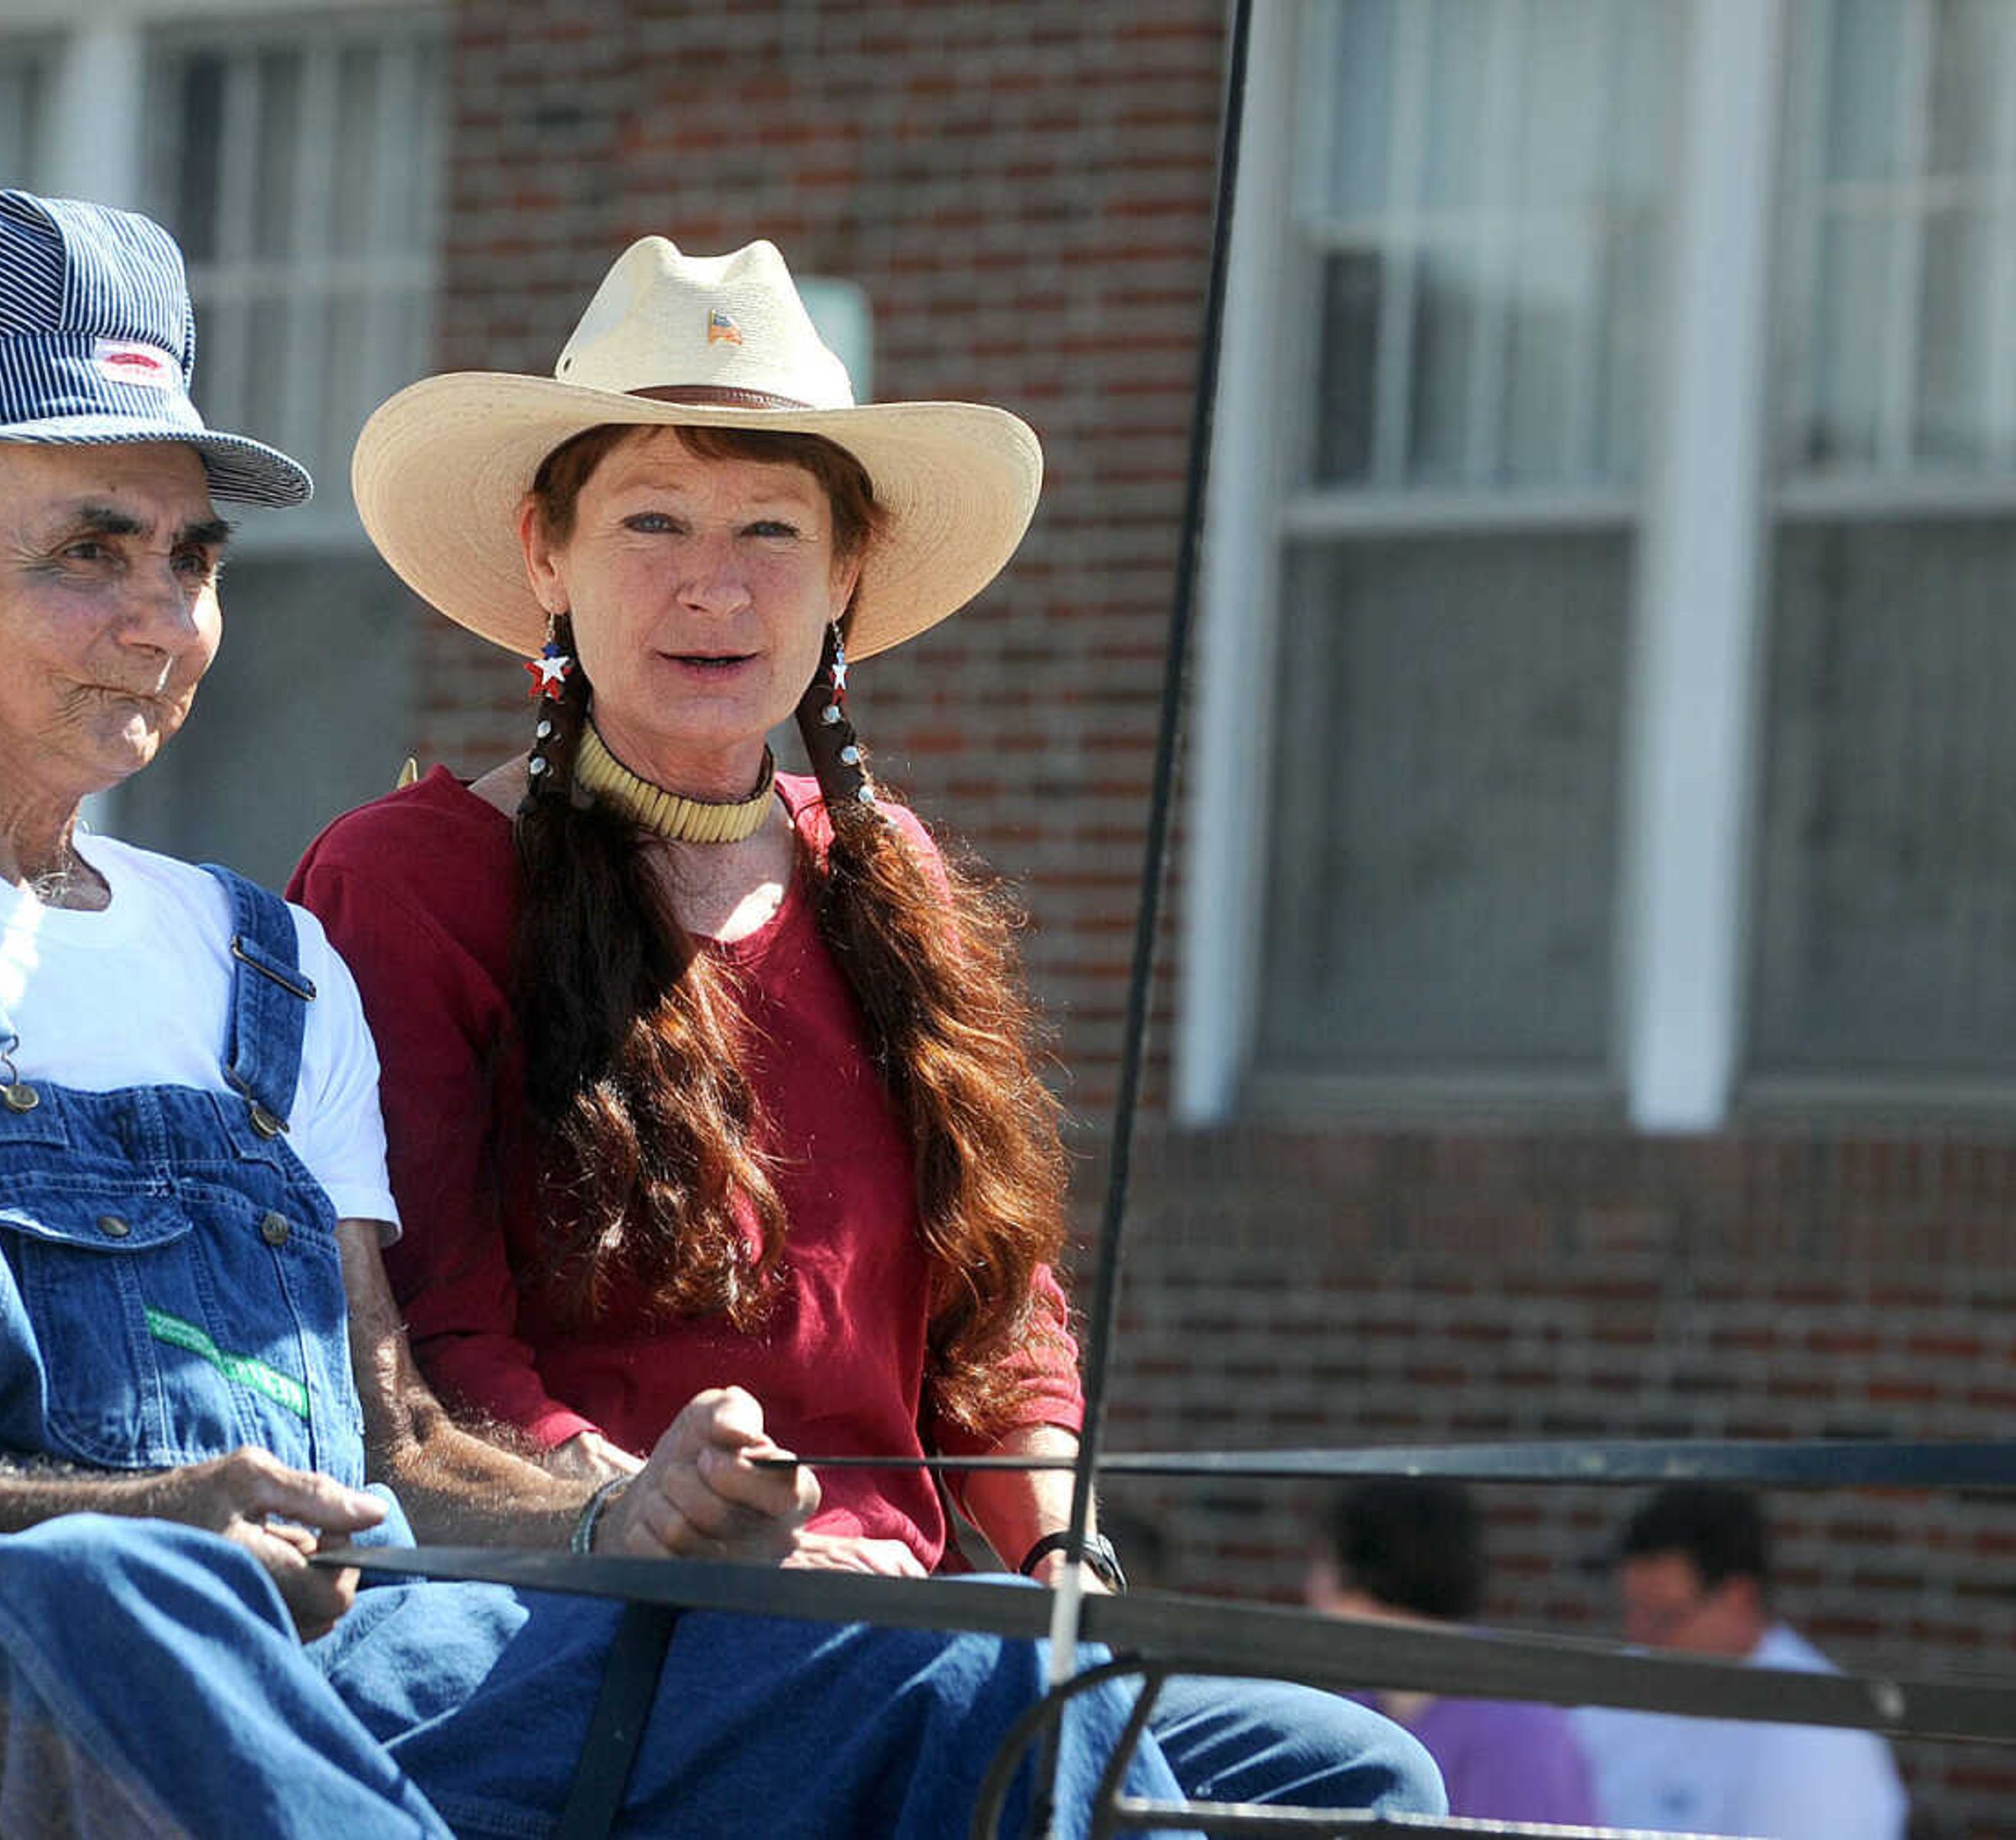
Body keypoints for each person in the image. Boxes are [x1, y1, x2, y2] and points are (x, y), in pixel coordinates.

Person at [0, 188, 1228, 1838]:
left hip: (320, 1625)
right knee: (141, 1592)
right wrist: (143, 1517)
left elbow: (398, 1437)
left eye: (190, 559)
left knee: (956, 1692)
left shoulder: (249, 955)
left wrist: (628, 1517)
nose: (159, 621)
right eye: (87, 555)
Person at [292, 233, 1443, 1813]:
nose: (717, 580)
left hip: (921, 1630)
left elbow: (998, 1319)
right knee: (1011, 1700)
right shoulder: (407, 878)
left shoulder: (882, 869)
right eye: (652, 521)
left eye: (773, 526)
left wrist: (1064, 1551)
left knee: (1359, 1768)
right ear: (544, 554)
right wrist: (659, 1504)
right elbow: (430, 1362)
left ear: (844, 576)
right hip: (571, 1620)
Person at [1571, 1483, 1908, 1838]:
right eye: (1632, 1609)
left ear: (1738, 1599)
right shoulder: (1616, 1694)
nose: (1637, 1634)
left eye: (1662, 1617)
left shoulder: (1819, 1729)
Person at [1304, 1480, 1598, 1822]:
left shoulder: (1514, 1726)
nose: (1312, 1593)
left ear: (1368, 1571)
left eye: (1324, 1564)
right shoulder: (1355, 1711)